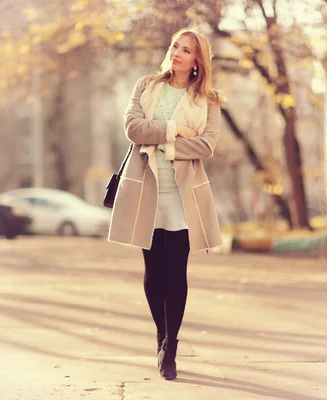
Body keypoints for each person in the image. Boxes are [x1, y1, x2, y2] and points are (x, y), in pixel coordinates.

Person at [108, 27, 224, 381]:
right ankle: (161, 335)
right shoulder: (146, 86)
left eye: (186, 50)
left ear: (197, 61)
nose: (177, 53)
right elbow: (133, 128)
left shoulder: (209, 100)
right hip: (147, 191)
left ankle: (170, 346)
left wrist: (164, 141)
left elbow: (206, 146)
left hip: (182, 196)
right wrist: (176, 132)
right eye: (175, 46)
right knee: (152, 275)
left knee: (176, 274)